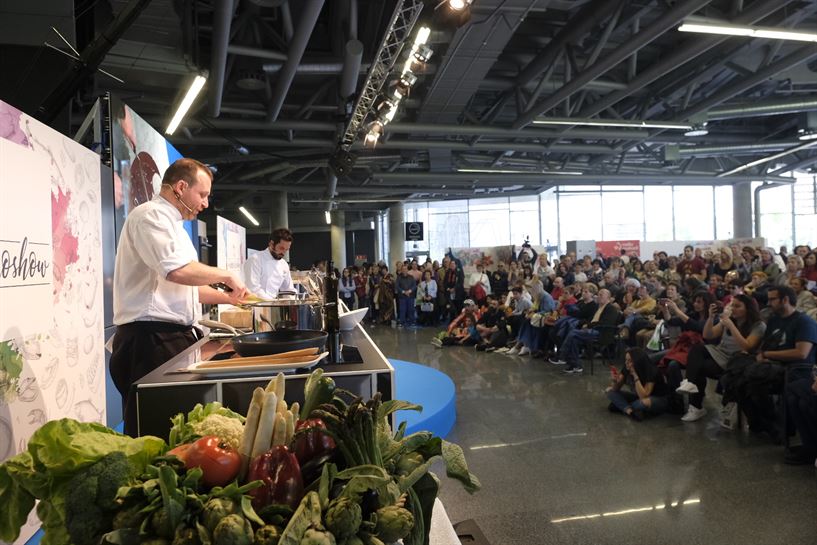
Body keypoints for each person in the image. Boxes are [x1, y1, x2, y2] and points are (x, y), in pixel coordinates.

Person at [111, 158, 247, 436]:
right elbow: (177, 272)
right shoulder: (150, 216)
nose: (205, 203)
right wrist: (226, 276)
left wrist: (231, 299)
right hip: (150, 340)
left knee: (179, 426)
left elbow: (187, 287)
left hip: (169, 338)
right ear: (181, 187)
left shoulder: (176, 227)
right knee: (155, 428)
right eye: (203, 194)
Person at [676, 294, 764, 423]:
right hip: (720, 354)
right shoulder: (729, 320)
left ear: (748, 309)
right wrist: (711, 317)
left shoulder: (758, 325)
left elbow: (747, 347)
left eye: (738, 306)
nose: (733, 308)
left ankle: (695, 404)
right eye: (732, 305)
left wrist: (731, 326)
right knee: (697, 350)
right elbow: (708, 335)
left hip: (737, 361)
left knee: (699, 367)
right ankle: (691, 387)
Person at [606, 348, 670, 421]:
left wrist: (635, 375)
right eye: (626, 360)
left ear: (637, 362)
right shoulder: (627, 368)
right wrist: (615, 381)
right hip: (638, 396)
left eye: (630, 361)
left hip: (657, 398)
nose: (626, 363)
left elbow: (644, 396)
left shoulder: (652, 371)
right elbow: (615, 389)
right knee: (610, 391)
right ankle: (629, 411)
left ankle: (622, 406)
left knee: (641, 403)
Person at [242, 227, 295, 299]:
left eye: (286, 249)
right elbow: (253, 288)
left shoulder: (283, 264)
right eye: (281, 248)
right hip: (254, 305)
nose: (283, 253)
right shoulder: (255, 260)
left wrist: (295, 301)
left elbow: (289, 290)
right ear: (271, 244)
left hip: (272, 304)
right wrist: (272, 303)